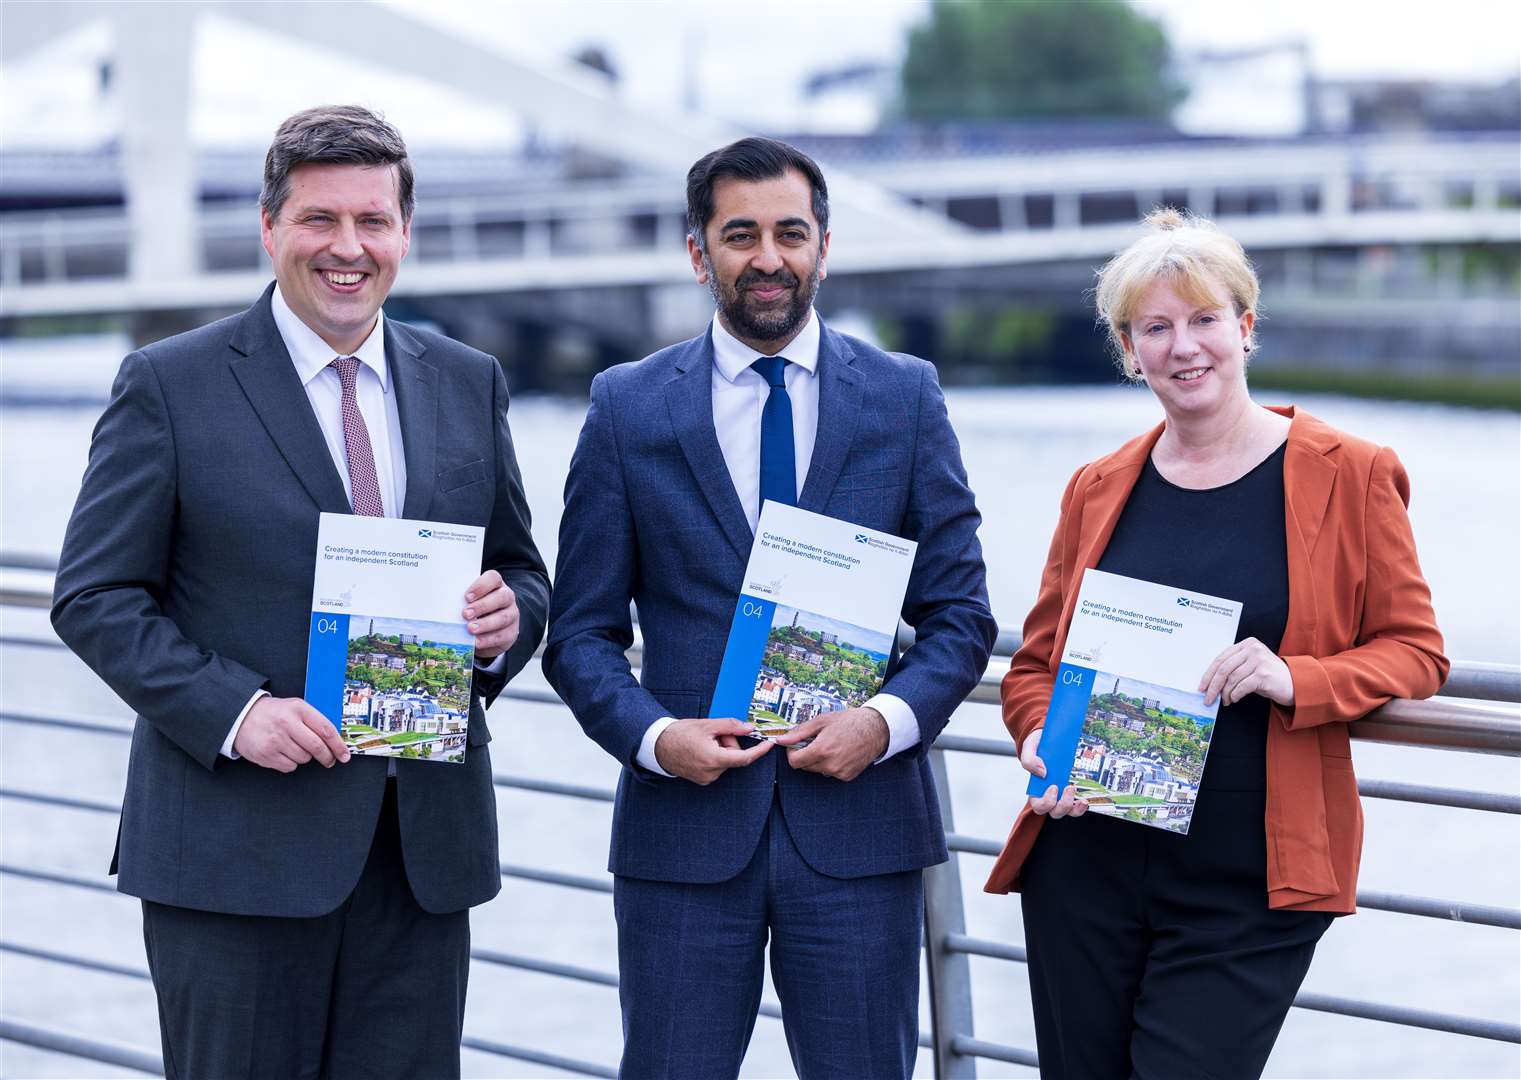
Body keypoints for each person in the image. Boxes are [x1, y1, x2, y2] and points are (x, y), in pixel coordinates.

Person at [50, 105, 549, 1080]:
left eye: (374, 220)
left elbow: (522, 571)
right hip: (235, 854)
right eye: (321, 220)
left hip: (420, 858)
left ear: (405, 232)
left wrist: (505, 623)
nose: (348, 248)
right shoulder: (169, 384)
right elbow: (95, 596)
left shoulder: (467, 381)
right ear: (271, 227)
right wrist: (237, 713)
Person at [543, 136, 997, 1080]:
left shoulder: (904, 398)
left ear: (823, 247)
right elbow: (580, 634)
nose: (767, 257)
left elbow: (960, 616)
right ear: (697, 251)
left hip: (859, 833)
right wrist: (655, 738)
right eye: (739, 234)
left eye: (790, 233)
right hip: (683, 838)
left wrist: (883, 722)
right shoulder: (626, 408)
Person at [983, 208, 1449, 1079]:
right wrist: (1039, 735)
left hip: (1248, 878)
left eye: (1202, 320)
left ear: (1244, 329)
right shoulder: (1097, 485)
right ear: (1129, 350)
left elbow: (1415, 651)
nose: (1182, 346)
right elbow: (1037, 665)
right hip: (1088, 860)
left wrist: (1294, 675)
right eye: (1155, 328)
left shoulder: (1349, 470)